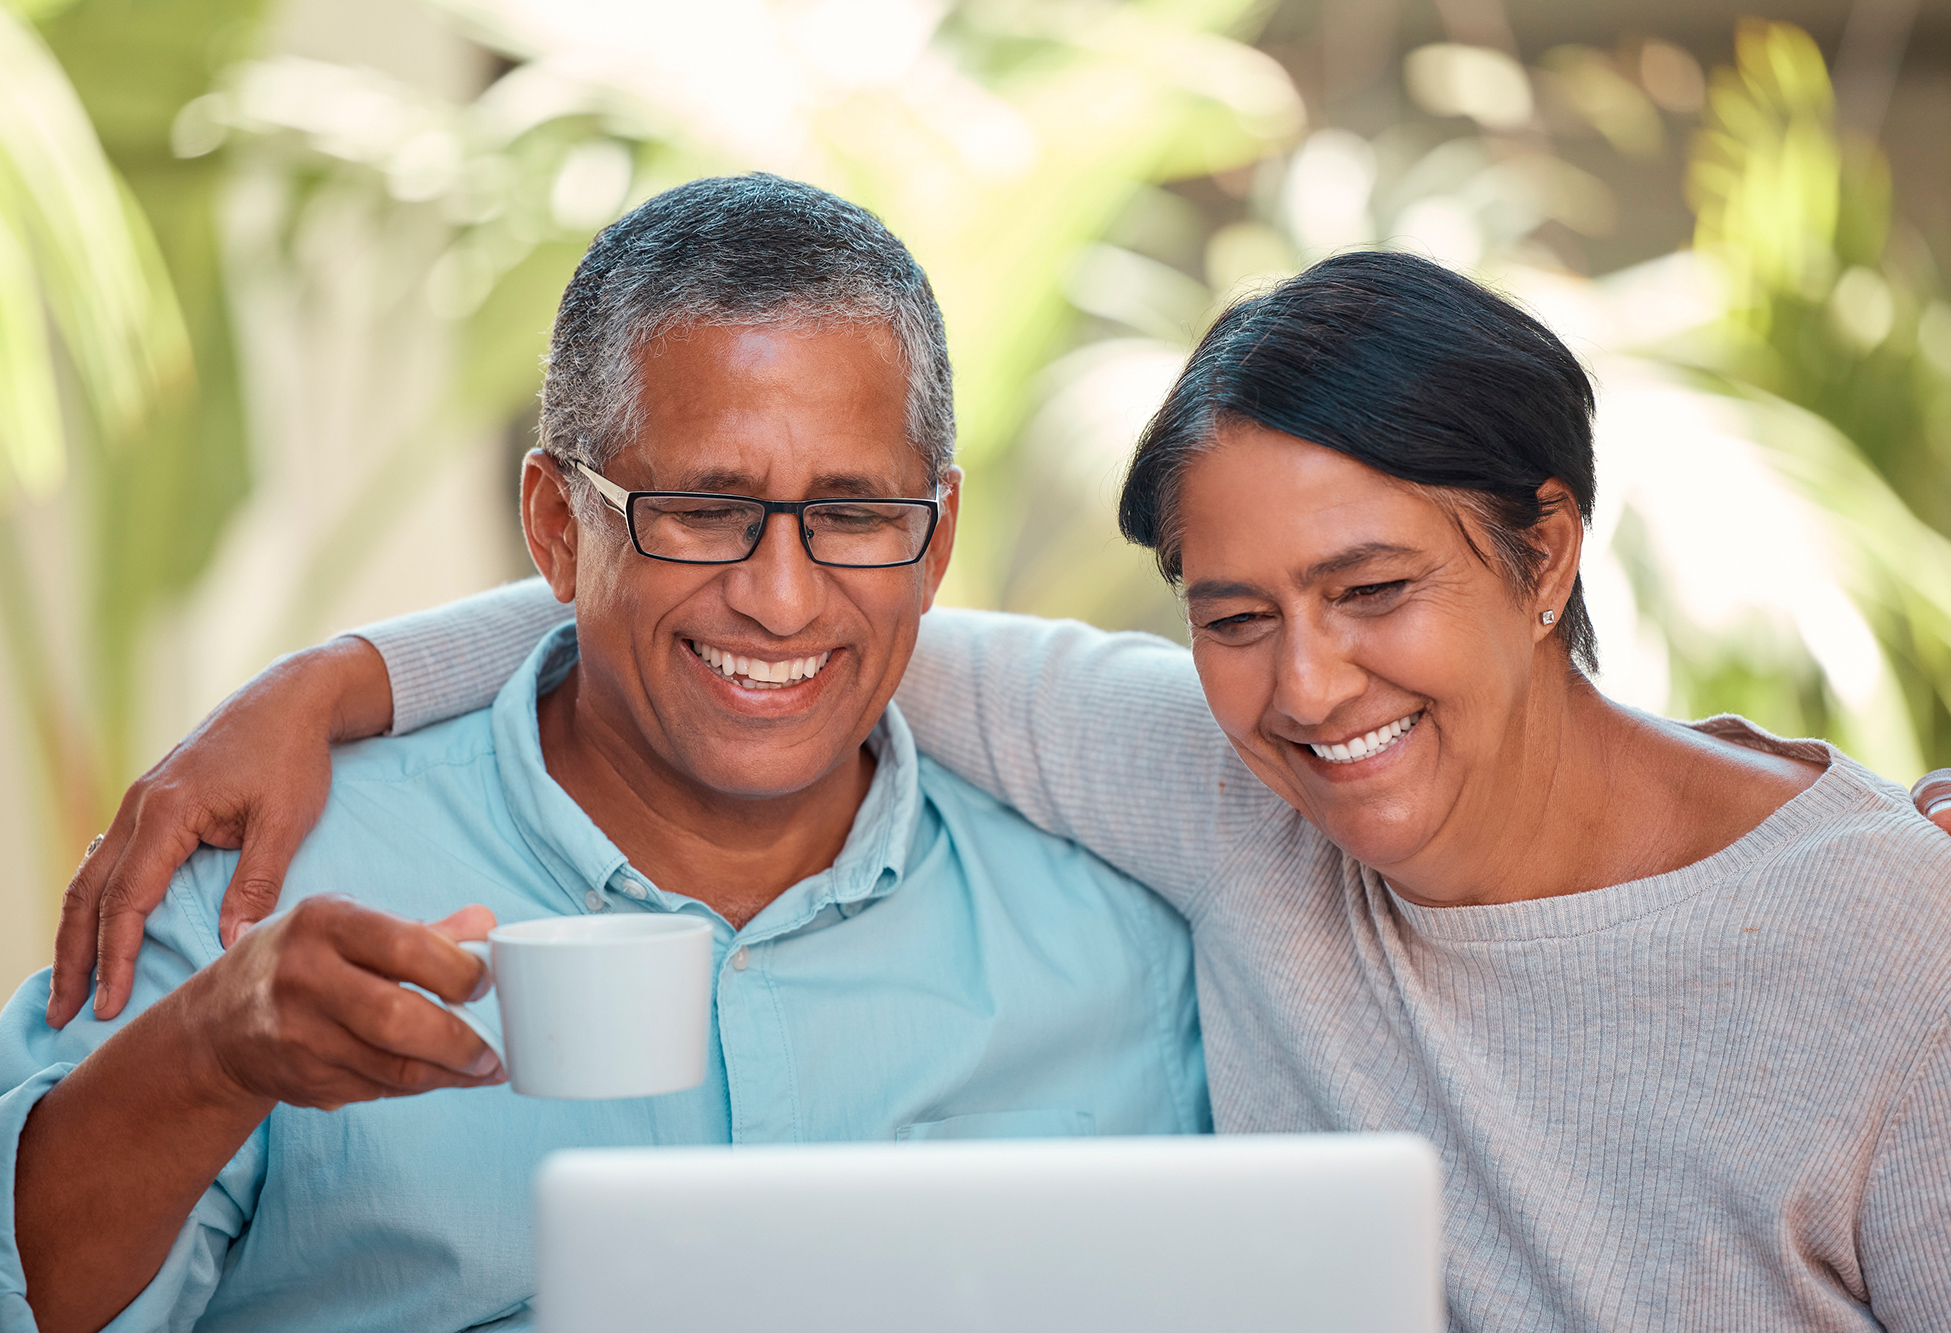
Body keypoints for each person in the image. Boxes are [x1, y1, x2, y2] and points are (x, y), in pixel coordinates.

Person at [56, 250, 1951, 1330]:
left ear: (1546, 552)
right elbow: (764, 637)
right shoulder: (1209, 774)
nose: (1311, 687)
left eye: (1375, 590)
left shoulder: (1904, 946)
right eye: (1237, 612)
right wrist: (334, 685)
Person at [0, 175, 1208, 1333]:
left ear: (933, 545)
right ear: (556, 528)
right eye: (701, 510)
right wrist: (212, 1056)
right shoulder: (256, 882)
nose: (780, 601)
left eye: (850, 516)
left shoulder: (1114, 942)